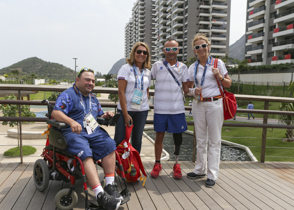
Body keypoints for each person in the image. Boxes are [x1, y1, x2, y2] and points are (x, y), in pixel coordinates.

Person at [51, 68, 121, 210]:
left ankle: (109, 185)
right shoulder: (68, 95)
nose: (91, 83)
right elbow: (56, 112)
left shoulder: (93, 98)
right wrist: (71, 121)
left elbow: (99, 115)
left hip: (92, 131)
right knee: (85, 152)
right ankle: (100, 194)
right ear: (77, 80)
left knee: (109, 144)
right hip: (74, 132)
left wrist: (105, 115)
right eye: (87, 80)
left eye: (93, 81)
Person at [186, 33, 232, 188]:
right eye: (197, 47)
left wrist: (219, 75)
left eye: (203, 46)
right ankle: (200, 169)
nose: (201, 49)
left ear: (208, 47)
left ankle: (212, 174)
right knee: (200, 139)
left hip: (214, 103)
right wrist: (193, 92)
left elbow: (228, 84)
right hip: (198, 104)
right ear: (194, 50)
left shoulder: (218, 63)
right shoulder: (193, 67)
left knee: (214, 140)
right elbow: (188, 88)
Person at [150, 38, 189, 179]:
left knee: (177, 137)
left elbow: (186, 88)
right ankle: (157, 163)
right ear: (163, 50)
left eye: (174, 49)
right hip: (160, 109)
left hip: (177, 109)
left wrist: (195, 91)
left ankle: (177, 164)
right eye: (168, 49)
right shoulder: (156, 65)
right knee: (159, 136)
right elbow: (147, 82)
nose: (171, 52)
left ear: (178, 50)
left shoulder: (183, 67)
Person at [114, 42, 151, 153]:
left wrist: (143, 102)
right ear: (133, 53)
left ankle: (134, 166)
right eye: (139, 51)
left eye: (145, 52)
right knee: (120, 140)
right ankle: (119, 167)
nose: (142, 54)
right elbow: (121, 92)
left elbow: (147, 91)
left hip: (141, 111)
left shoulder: (147, 72)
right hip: (125, 111)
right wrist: (125, 114)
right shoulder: (125, 68)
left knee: (137, 141)